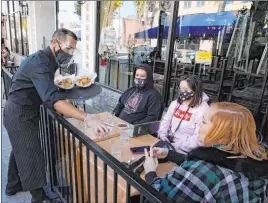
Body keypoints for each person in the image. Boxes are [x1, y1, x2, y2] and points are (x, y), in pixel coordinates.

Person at [3, 28, 109, 203]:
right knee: (32, 155)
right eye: (68, 48)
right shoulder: (40, 63)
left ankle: (12, 185)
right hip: (19, 112)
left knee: (20, 148)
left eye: (73, 49)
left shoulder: (48, 60)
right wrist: (87, 118)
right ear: (55, 43)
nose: (70, 53)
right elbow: (53, 99)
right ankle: (39, 198)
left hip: (24, 109)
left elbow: (47, 89)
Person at [144, 102, 268, 202]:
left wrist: (150, 171)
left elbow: (159, 195)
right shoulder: (255, 158)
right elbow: (217, 161)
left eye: (203, 122)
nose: (199, 125)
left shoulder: (205, 172)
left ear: (219, 132)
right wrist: (170, 154)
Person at [158, 75, 209, 152]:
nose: (182, 92)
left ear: (194, 91)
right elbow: (166, 120)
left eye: (185, 89)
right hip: (169, 141)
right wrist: (162, 135)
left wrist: (176, 146)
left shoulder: (203, 110)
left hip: (186, 149)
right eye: (181, 88)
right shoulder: (175, 104)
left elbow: (198, 139)